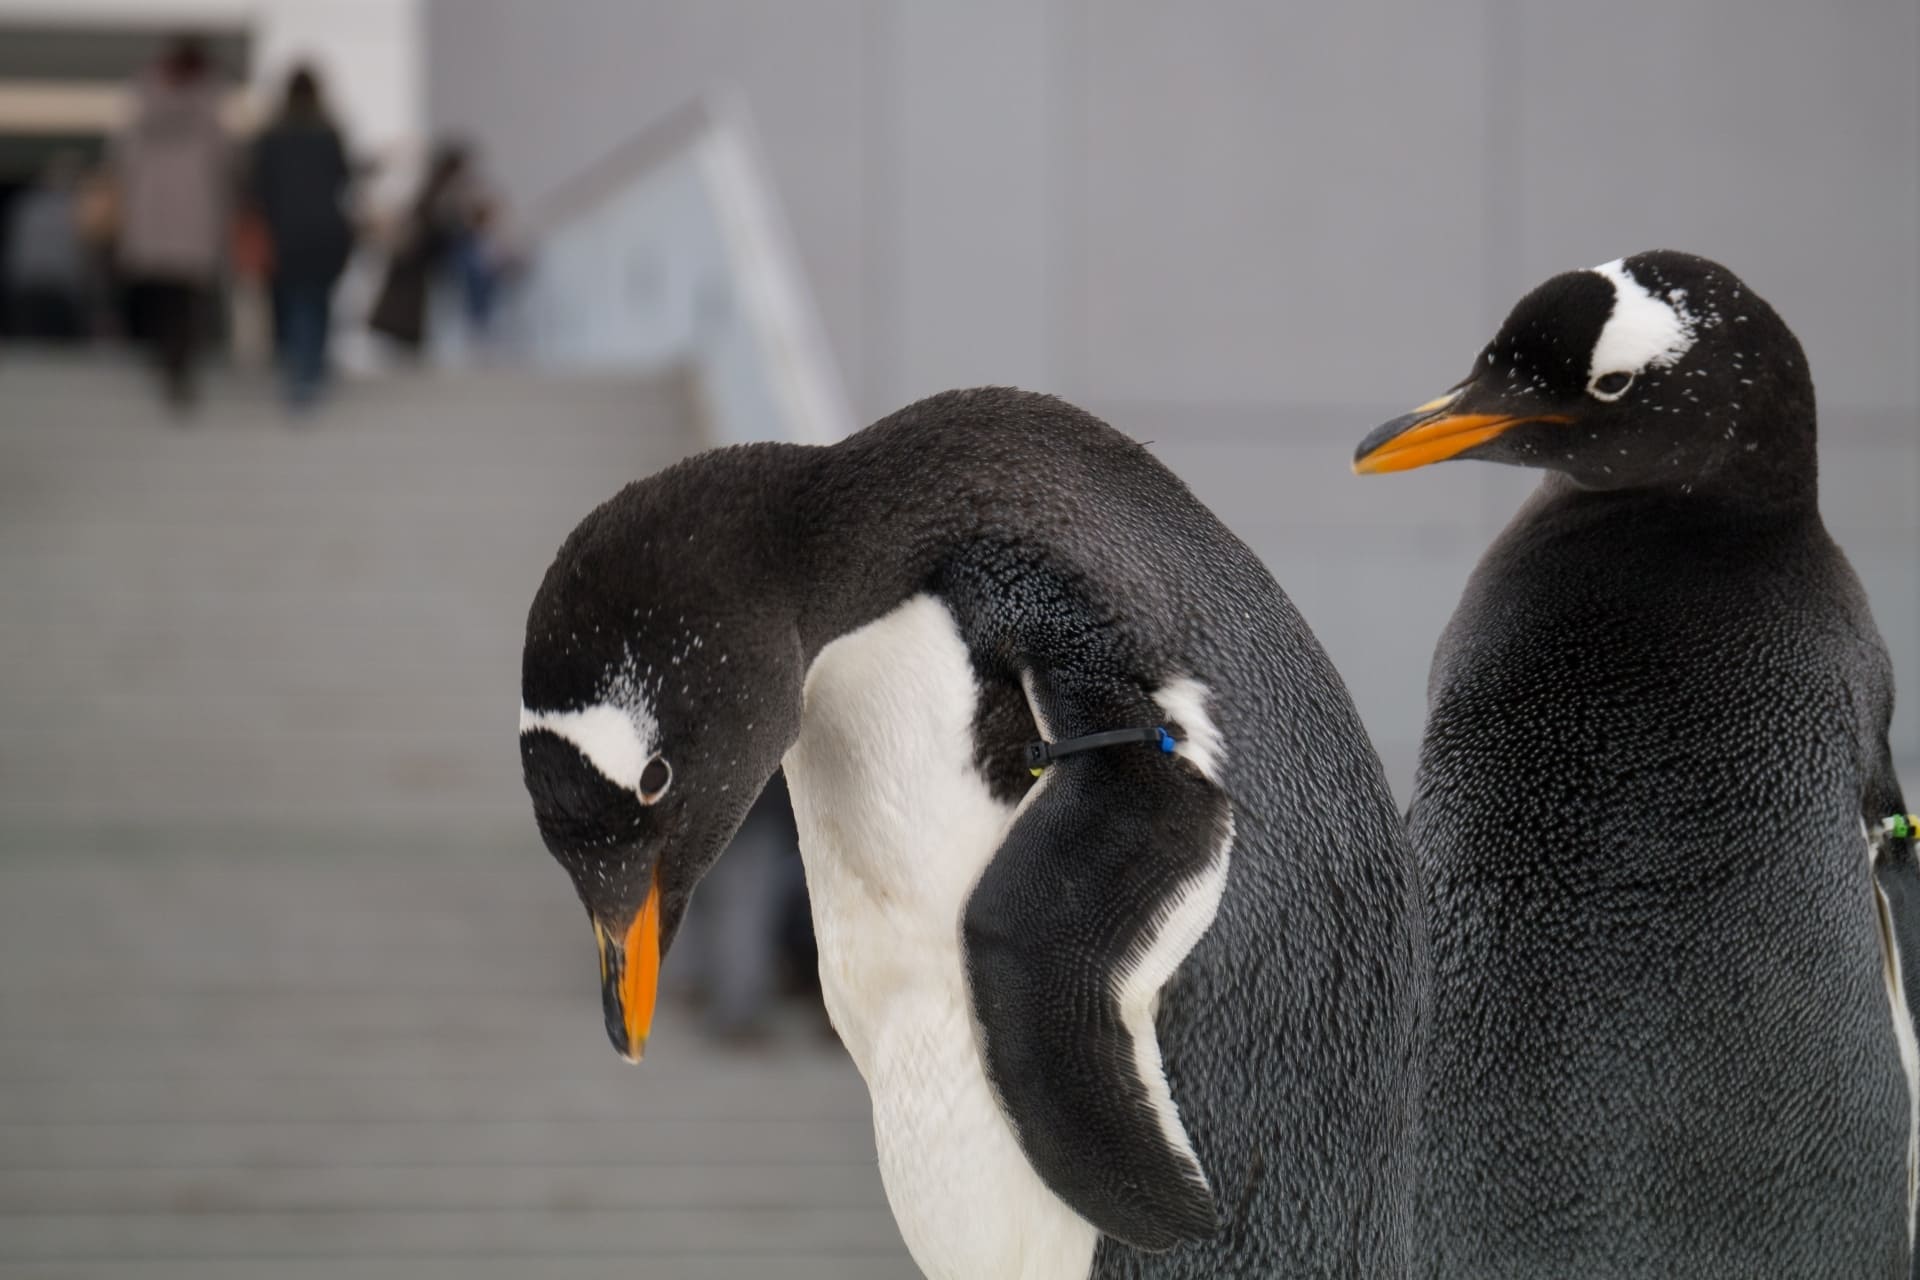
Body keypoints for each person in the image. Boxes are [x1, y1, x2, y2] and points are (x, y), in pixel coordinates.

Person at [113, 35, 231, 409]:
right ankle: (178, 367)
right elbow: (225, 164)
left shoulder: (145, 100)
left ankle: (164, 360)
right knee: (186, 301)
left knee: (161, 298)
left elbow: (123, 160)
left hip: (153, 218)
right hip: (194, 220)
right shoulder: (208, 105)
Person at [249, 64, 354, 408]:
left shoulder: (272, 136)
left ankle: (301, 373)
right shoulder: (328, 133)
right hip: (324, 231)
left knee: (295, 302)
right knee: (316, 303)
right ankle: (311, 370)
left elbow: (257, 188)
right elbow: (344, 179)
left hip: (286, 232)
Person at [368, 143, 472, 357]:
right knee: (411, 302)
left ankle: (409, 337)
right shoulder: (440, 190)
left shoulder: (435, 187)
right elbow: (436, 223)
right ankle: (408, 337)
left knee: (411, 301)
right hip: (421, 255)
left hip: (421, 255)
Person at [3, 152, 91, 342]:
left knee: (34, 346)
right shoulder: (76, 208)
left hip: (34, 287)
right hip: (52, 288)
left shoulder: (28, 205)